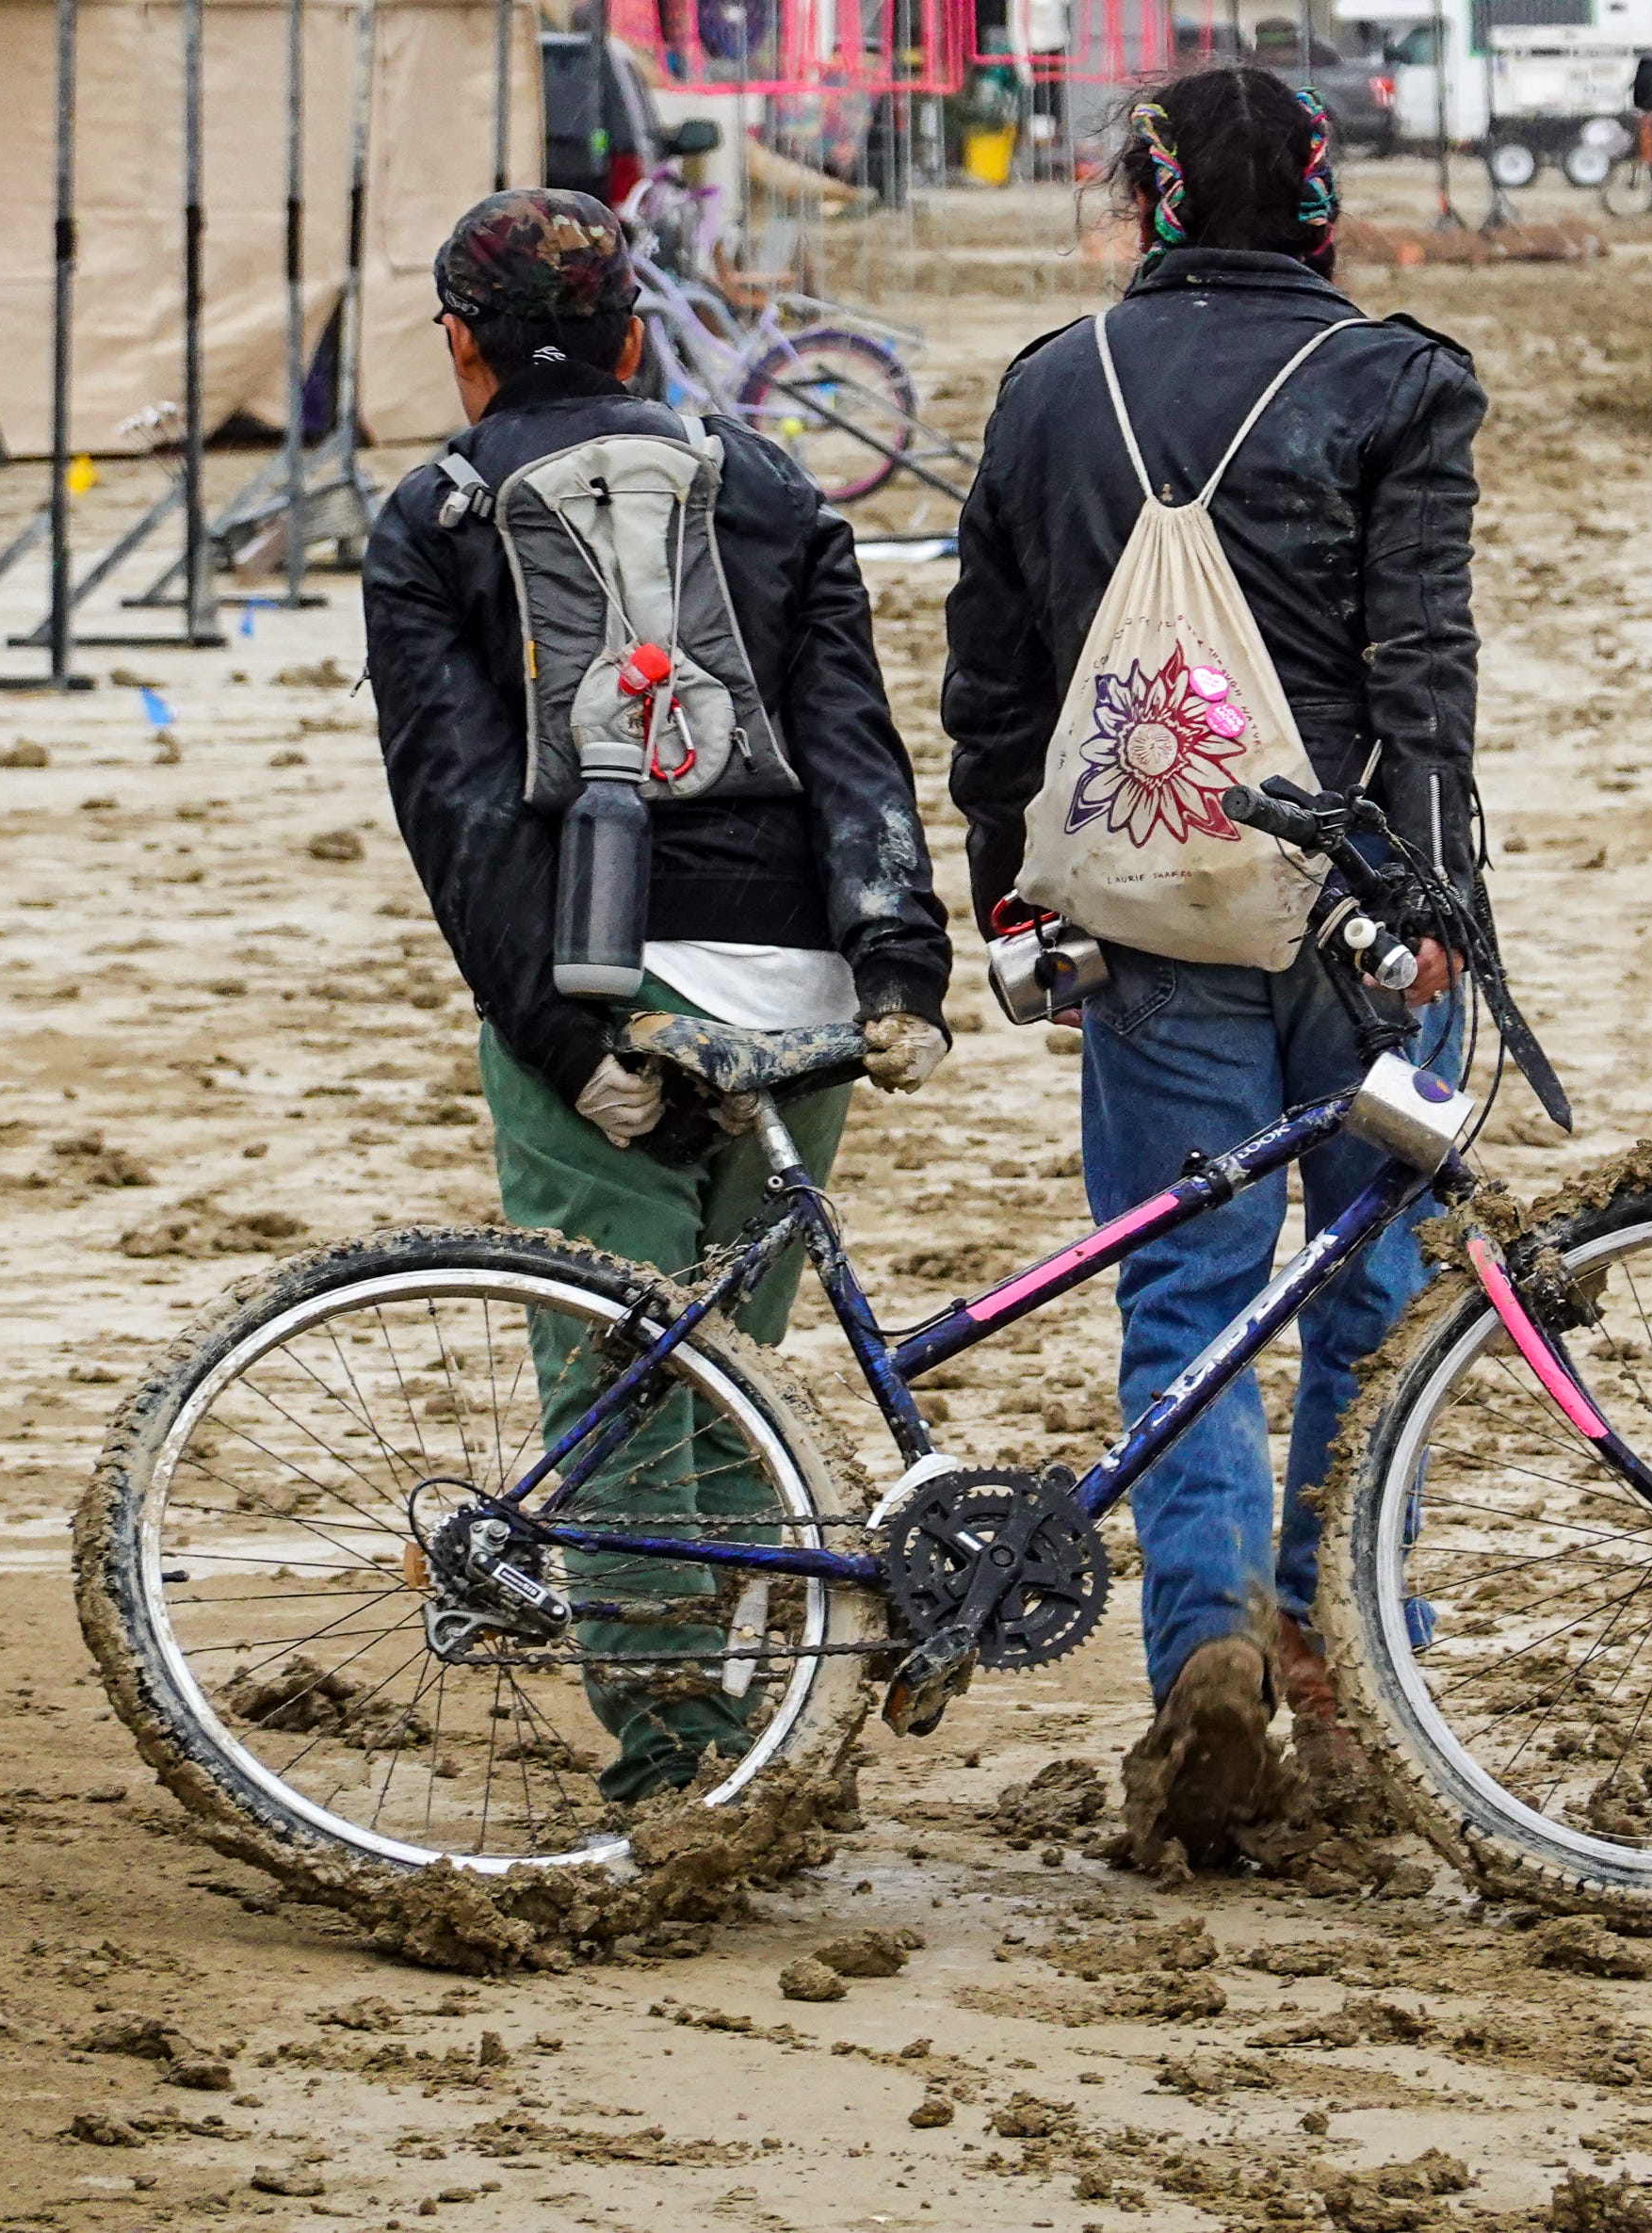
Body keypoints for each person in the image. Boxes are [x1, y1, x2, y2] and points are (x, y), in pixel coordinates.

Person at [942, 68, 1485, 1861]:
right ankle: (1346, 1659)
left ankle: (1206, 1654)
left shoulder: (1046, 391)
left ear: (1148, 194)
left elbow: (994, 682)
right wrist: (1436, 910)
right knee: (1376, 1302)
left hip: (1149, 903)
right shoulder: (1397, 379)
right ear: (1323, 197)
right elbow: (1422, 673)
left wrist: (1008, 901)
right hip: (1356, 909)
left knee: (1186, 1304)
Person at [364, 188, 951, 1802]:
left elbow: (463, 809)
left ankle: (680, 1754)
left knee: (621, 1387)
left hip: (601, 983)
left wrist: (566, 1040)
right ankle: (749, 1710)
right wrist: (901, 961)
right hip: (802, 995)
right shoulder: (766, 483)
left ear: (461, 355)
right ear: (636, 332)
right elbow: (854, 744)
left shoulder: (433, 518)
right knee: (730, 1375)